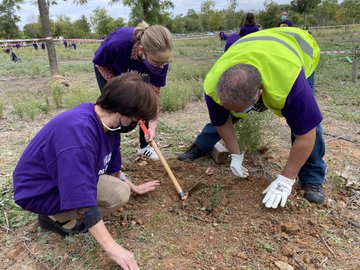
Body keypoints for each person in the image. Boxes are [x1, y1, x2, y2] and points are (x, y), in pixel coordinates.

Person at [13, 73, 160, 269]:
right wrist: (114, 249)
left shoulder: (109, 126)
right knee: (107, 196)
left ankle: (61, 212)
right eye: (136, 119)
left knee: (121, 191)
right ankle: (55, 217)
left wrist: (133, 186)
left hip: (60, 178)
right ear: (122, 112)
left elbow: (111, 167)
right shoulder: (79, 134)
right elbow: (82, 199)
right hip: (39, 190)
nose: (136, 124)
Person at [178, 27, 326, 208]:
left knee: (307, 122)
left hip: (297, 53)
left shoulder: (291, 85)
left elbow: (306, 135)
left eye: (242, 109)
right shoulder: (214, 84)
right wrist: (235, 155)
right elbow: (221, 120)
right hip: (254, 49)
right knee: (227, 111)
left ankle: (313, 177)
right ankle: (201, 145)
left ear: (260, 95)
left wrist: (286, 179)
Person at [93, 21, 173, 161]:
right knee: (114, 108)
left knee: (145, 104)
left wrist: (152, 128)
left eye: (164, 63)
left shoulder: (160, 62)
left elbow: (154, 97)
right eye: (157, 62)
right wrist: (119, 87)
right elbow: (100, 63)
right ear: (142, 50)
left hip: (138, 69)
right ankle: (109, 152)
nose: (161, 67)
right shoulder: (118, 45)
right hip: (109, 69)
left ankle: (144, 147)